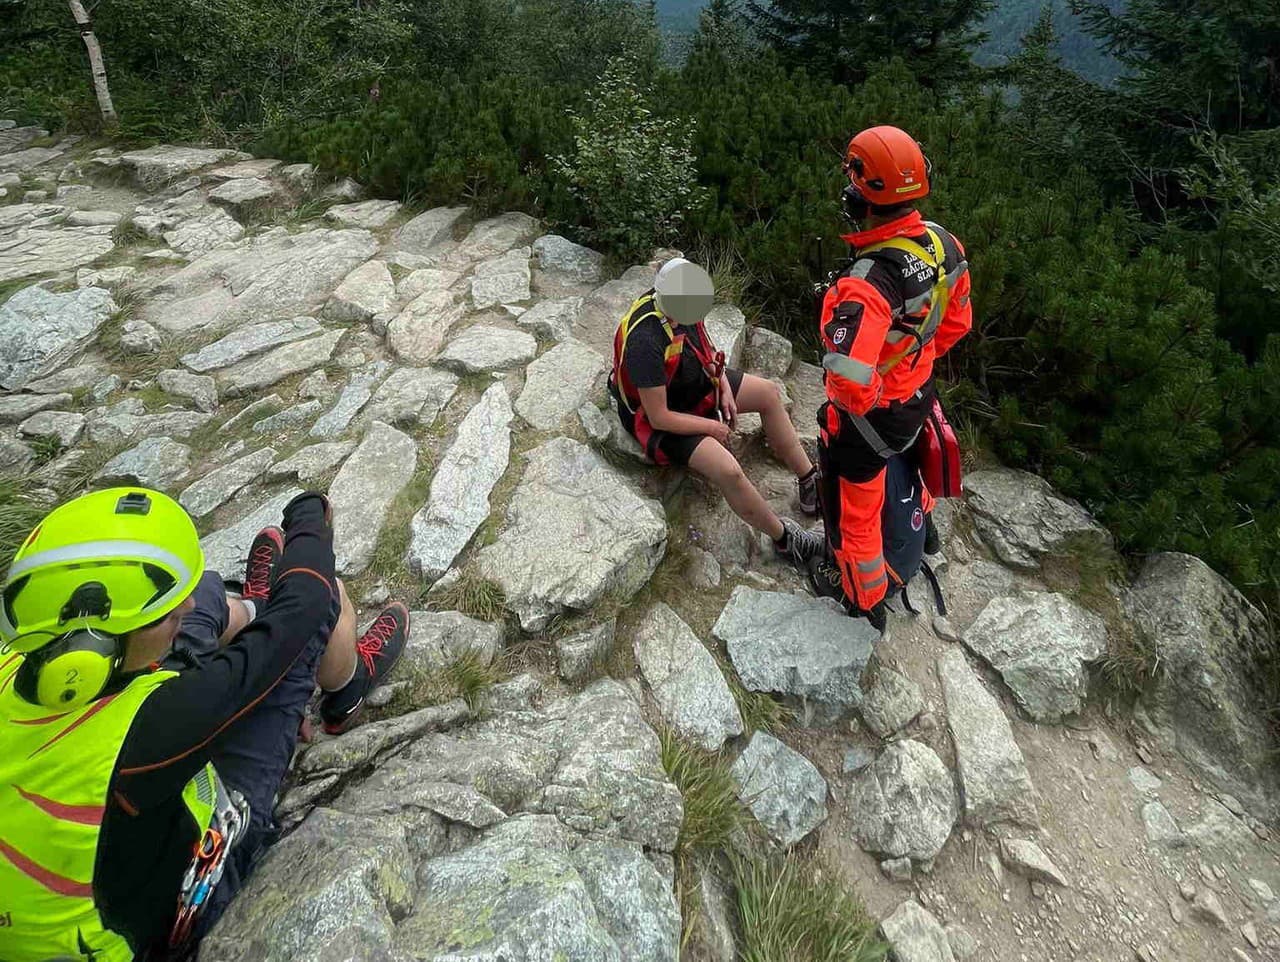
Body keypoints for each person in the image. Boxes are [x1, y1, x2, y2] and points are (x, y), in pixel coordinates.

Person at [0, 487, 408, 961]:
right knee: (322, 607)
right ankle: (348, 681)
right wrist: (311, 515)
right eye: (165, 614)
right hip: (194, 877)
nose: (183, 609)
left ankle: (255, 617)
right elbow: (307, 605)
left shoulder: (18, 659)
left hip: (127, 833)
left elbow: (194, 609)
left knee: (210, 590)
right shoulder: (147, 731)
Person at [810, 125, 973, 631]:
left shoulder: (866, 285)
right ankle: (923, 535)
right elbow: (956, 324)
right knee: (908, 464)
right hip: (918, 394)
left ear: (863, 191)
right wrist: (910, 369)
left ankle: (864, 598)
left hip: (873, 417)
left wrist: (880, 391)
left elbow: (848, 385)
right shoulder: (943, 245)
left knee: (856, 515)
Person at [610, 257, 824, 568]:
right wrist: (712, 428)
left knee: (768, 393)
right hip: (661, 417)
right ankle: (785, 540)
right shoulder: (646, 341)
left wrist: (722, 383)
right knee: (729, 470)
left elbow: (705, 350)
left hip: (690, 385)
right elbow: (659, 417)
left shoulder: (681, 305)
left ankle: (808, 478)